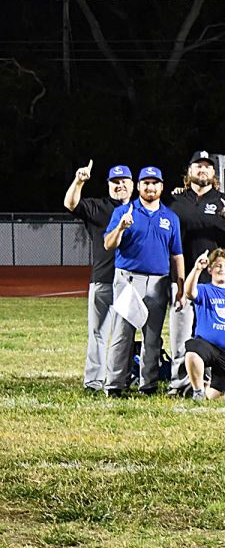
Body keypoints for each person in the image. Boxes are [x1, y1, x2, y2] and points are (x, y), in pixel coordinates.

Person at [165, 150, 225, 395]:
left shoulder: (224, 200)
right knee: (181, 333)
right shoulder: (175, 200)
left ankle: (209, 382)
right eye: (198, 166)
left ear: (214, 173)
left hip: (215, 283)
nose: (202, 170)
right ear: (189, 171)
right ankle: (180, 383)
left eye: (207, 166)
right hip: (183, 278)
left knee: (213, 333)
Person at [103, 166, 184, 396]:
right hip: (128, 279)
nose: (150, 187)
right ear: (138, 186)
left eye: (154, 183)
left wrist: (179, 284)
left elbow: (177, 254)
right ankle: (115, 384)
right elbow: (108, 244)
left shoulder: (170, 217)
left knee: (153, 336)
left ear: (161, 187)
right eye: (146, 183)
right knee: (123, 333)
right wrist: (121, 227)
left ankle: (148, 384)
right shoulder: (124, 211)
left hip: (159, 281)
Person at [63, 160, 133, 393]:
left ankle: (122, 378)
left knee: (125, 334)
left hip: (131, 281)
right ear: (108, 185)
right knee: (98, 333)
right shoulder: (99, 207)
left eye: (124, 181)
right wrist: (79, 181)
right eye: (115, 182)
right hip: (103, 278)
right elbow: (71, 204)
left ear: (132, 184)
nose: (119, 185)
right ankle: (94, 381)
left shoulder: (141, 208)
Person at [181, 249, 225, 401]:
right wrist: (197, 269)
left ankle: (206, 387)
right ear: (210, 269)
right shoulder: (204, 290)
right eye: (218, 265)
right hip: (208, 347)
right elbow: (188, 292)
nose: (222, 269)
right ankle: (198, 391)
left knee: (220, 398)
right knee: (193, 350)